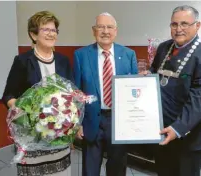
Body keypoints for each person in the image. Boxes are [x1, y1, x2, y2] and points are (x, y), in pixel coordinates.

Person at [147, 5, 201, 176]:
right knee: (163, 171)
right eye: (174, 24)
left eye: (184, 24)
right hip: (162, 129)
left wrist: (178, 128)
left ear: (197, 25)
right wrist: (145, 79)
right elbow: (155, 75)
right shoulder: (163, 48)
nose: (178, 29)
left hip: (190, 134)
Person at [2, 11, 73, 176]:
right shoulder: (22, 61)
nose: (51, 33)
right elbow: (8, 95)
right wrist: (24, 111)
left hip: (58, 136)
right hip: (30, 136)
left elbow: (71, 94)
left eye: (53, 30)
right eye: (45, 30)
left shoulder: (63, 61)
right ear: (33, 35)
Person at [72, 12, 138, 176]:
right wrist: (77, 123)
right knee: (90, 170)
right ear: (94, 31)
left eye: (109, 27)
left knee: (117, 168)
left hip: (119, 122)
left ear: (116, 31)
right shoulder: (81, 55)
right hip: (91, 120)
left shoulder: (129, 55)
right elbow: (76, 91)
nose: (105, 31)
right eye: (100, 27)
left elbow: (135, 90)